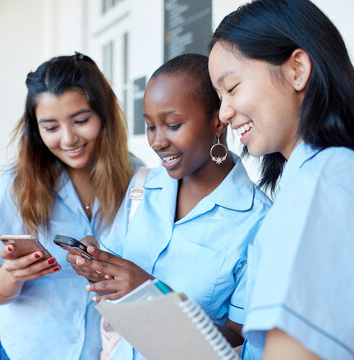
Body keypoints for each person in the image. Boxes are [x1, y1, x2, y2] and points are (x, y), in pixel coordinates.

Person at [208, 0, 354, 359]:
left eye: (231, 88)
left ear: (297, 69)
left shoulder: (328, 181)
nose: (223, 112)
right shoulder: (321, 177)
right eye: (219, 97)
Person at [68, 53, 272, 359]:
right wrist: (93, 262)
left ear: (217, 119)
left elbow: (237, 340)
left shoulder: (258, 222)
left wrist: (150, 292)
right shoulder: (143, 187)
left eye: (173, 125)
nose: (157, 141)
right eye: (150, 126)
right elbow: (116, 273)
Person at [0, 53, 142, 359]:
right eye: (50, 127)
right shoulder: (17, 184)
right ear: (36, 130)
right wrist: (12, 276)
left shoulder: (136, 179)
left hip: (101, 349)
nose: (68, 139)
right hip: (29, 349)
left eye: (81, 121)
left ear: (104, 114)